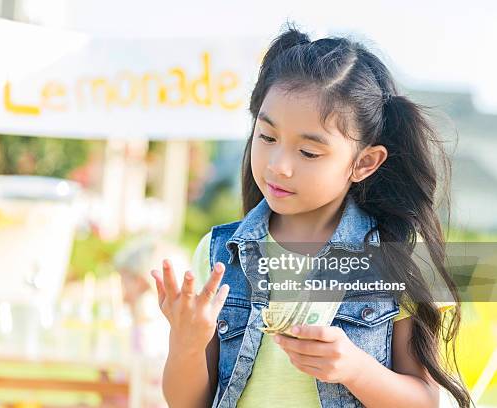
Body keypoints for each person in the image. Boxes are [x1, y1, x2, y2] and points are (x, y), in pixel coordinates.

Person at [150, 23, 472, 408]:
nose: (279, 166)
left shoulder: (398, 257)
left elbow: (426, 400)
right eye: (267, 138)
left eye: (309, 153)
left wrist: (354, 369)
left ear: (364, 162)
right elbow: (187, 403)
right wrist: (185, 344)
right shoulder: (219, 253)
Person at [113, 234, 190, 407]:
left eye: (124, 278)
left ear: (140, 282)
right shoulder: (171, 326)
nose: (120, 285)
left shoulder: (145, 329)